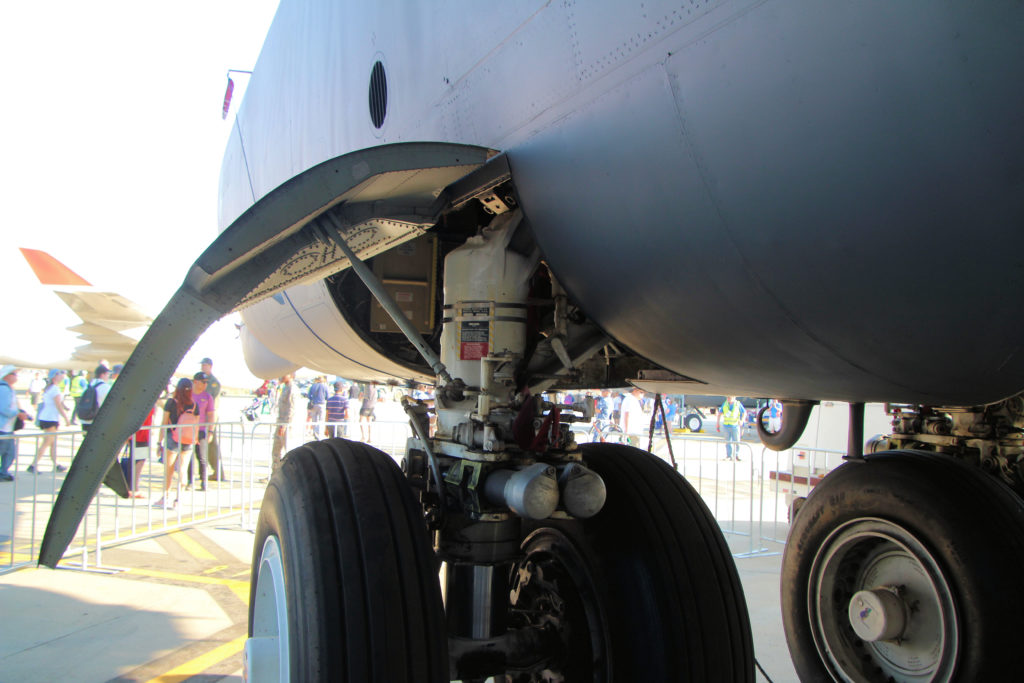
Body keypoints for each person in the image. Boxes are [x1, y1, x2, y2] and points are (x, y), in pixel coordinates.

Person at [154, 378, 200, 509]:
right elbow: (195, 425)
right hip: (188, 440)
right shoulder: (194, 405)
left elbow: (164, 423)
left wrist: (159, 442)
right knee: (182, 469)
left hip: (172, 438)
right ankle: (179, 499)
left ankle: (166, 497)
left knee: (169, 469)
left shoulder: (171, 403)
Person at [28, 369, 72, 473]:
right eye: (60, 374)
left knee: (52, 443)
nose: (62, 376)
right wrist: (66, 418)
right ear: (54, 377)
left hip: (48, 417)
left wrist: (65, 408)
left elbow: (59, 403)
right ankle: (33, 464)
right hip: (50, 418)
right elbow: (58, 405)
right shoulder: (55, 389)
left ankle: (56, 464)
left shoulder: (51, 388)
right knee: (47, 442)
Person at [0, 365, 34, 482]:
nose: (16, 377)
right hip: (3, 427)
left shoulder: (9, 389)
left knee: (9, 452)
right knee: (5, 451)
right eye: (14, 374)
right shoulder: (3, 389)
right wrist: (17, 414)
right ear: (7, 375)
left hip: (7, 427)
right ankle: (3, 472)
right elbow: (4, 408)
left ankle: (4, 472)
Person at [187, 371, 216, 490]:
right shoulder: (188, 395)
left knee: (202, 457)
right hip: (188, 430)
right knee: (188, 456)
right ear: (195, 382)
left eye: (206, 383)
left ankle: (203, 481)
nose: (205, 385)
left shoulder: (207, 397)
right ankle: (189, 481)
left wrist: (210, 431)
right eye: (203, 382)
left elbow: (211, 415)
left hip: (201, 430)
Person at [271, 373, 295, 472]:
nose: (282, 375)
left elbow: (291, 408)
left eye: (285, 374)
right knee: (276, 450)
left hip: (285, 424)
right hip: (280, 422)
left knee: (288, 450)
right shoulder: (284, 387)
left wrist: (285, 424)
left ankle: (292, 474)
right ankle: (275, 472)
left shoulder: (292, 389)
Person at [79, 365, 112, 432]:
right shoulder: (106, 387)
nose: (108, 376)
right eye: (107, 374)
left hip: (85, 419)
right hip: (98, 421)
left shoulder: (88, 386)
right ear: (102, 375)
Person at [717, 396, 747, 461]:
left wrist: (742, 420)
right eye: (727, 397)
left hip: (735, 426)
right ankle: (729, 456)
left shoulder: (738, 404)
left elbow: (744, 412)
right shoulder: (725, 404)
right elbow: (719, 413)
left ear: (734, 397)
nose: (728, 398)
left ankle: (736, 455)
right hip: (726, 426)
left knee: (737, 441)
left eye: (730, 397)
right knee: (727, 442)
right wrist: (717, 424)